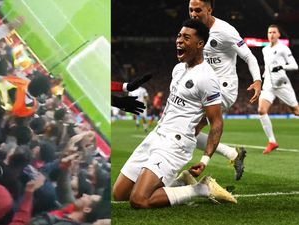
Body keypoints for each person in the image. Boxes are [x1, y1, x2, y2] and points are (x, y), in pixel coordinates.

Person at [112, 19, 236, 209]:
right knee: (120, 193)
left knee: (139, 200)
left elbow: (216, 122)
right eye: (179, 36)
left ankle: (202, 189)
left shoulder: (207, 78)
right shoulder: (178, 69)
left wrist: (205, 159)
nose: (179, 40)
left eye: (186, 37)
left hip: (175, 144)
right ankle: (180, 182)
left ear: (200, 44)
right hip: (157, 135)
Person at [189, 0, 262, 180]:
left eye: (198, 10)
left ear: (209, 9)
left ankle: (182, 173)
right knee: (187, 131)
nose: (193, 14)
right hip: (204, 87)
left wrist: (257, 80)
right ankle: (232, 154)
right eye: (190, 10)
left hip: (224, 89)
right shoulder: (193, 30)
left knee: (189, 128)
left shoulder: (225, 31)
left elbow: (249, 57)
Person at [258, 25, 299, 154]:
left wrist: (281, 66)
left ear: (279, 35)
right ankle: (272, 141)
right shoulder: (265, 50)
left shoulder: (283, 49)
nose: (271, 34)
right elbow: (267, 66)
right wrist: (265, 74)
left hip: (282, 84)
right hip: (269, 85)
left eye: (274, 32)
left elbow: (295, 66)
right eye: (269, 32)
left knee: (296, 111)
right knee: (261, 110)